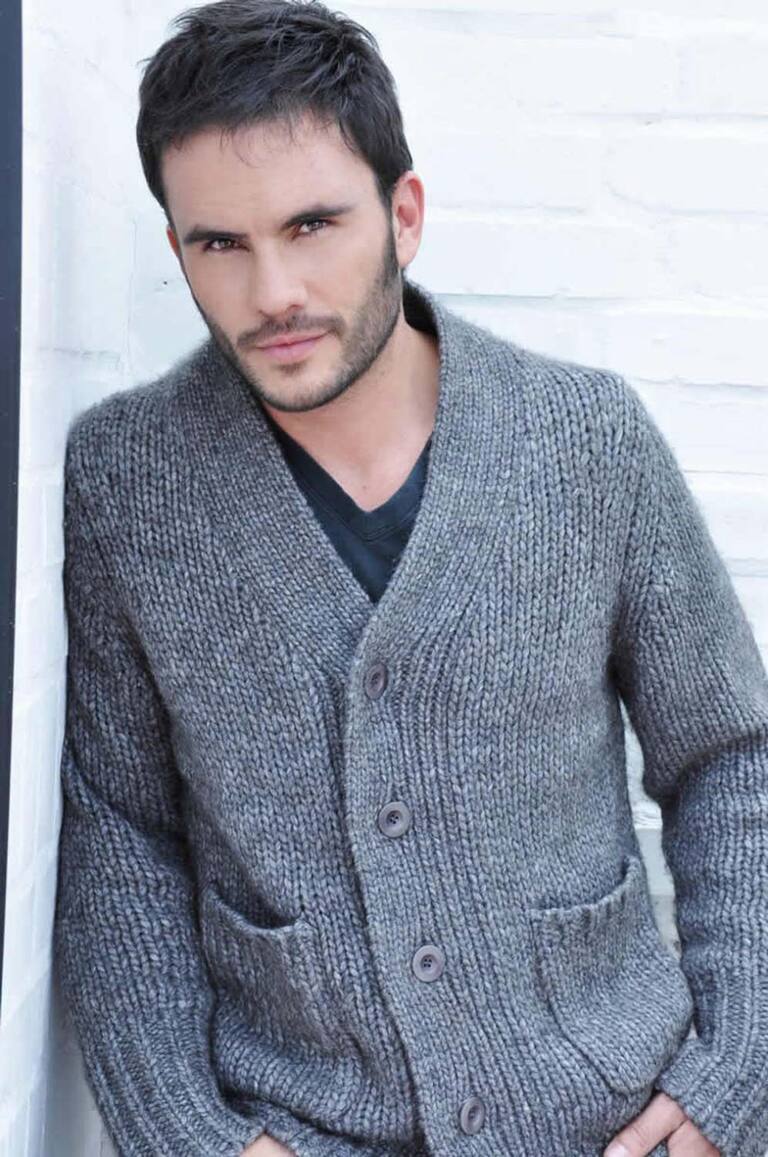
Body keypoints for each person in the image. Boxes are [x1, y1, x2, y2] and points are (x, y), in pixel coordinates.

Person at [53, 2, 768, 1156]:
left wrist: (733, 1077)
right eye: (220, 244)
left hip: (603, 1117)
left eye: (313, 224)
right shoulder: (128, 480)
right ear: (177, 250)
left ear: (404, 214)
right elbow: (120, 831)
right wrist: (193, 1136)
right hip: (300, 1127)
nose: (274, 291)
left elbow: (731, 755)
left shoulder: (586, 442)